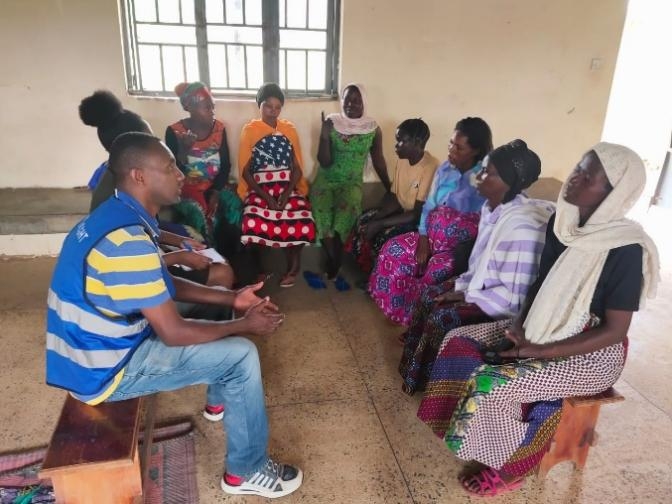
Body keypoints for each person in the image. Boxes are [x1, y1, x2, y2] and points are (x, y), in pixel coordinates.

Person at [45, 132, 303, 498]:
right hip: (104, 369)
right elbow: (173, 332)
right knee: (242, 355)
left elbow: (162, 284)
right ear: (139, 176)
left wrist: (231, 299)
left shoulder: (119, 214)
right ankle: (246, 470)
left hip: (95, 345)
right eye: (169, 167)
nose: (181, 173)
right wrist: (245, 324)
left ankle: (222, 397)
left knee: (213, 298)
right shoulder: (128, 241)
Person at [417, 143, 659, 497]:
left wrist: (542, 351)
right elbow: (540, 285)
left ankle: (511, 469)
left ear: (613, 194)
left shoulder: (624, 248)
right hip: (541, 324)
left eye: (588, 176)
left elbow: (615, 330)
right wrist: (518, 326)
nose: (575, 176)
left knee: (495, 383)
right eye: (578, 165)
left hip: (592, 353)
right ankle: (469, 433)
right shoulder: (562, 226)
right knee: (459, 342)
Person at [399, 140, 554, 395]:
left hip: (502, 306)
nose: (478, 177)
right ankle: (415, 374)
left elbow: (513, 296)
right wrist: (462, 286)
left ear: (510, 182)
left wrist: (467, 294)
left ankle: (436, 387)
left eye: (487, 173)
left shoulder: (522, 229)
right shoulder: (492, 209)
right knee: (429, 294)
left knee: (442, 317)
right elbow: (480, 264)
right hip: (483, 287)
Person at [79, 90, 235, 289]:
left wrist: (179, 242)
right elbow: (131, 261)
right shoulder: (118, 200)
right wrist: (179, 257)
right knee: (222, 272)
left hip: (141, 257)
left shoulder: (118, 179)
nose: (156, 145)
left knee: (196, 242)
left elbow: (145, 229)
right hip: (126, 280)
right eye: (149, 141)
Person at [369, 117, 493, 325]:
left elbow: (489, 221)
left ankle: (418, 324)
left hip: (459, 250)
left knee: (434, 272)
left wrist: (462, 250)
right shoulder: (445, 170)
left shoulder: (485, 178)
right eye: (451, 143)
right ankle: (398, 312)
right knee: (392, 250)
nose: (451, 149)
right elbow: (427, 207)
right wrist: (424, 240)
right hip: (431, 238)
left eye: (459, 147)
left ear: (476, 151)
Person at [305, 83, 392, 291]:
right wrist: (325, 135)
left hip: (351, 182)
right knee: (321, 211)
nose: (351, 104)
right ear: (341, 101)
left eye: (356, 100)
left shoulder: (372, 128)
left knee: (347, 212)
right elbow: (324, 162)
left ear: (364, 102)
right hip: (326, 180)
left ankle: (333, 264)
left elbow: (378, 160)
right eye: (347, 99)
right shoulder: (332, 123)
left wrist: (390, 188)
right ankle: (335, 263)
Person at [237, 83, 316, 288]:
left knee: (302, 216)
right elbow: (246, 171)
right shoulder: (250, 130)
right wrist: (268, 198)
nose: (273, 111)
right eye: (268, 105)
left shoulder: (289, 129)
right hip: (260, 189)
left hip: (287, 186)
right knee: (252, 221)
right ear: (259, 105)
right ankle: (260, 268)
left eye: (277, 107)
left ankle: (294, 265)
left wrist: (286, 194)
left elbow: (297, 168)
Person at [346, 118, 439, 277]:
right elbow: (394, 196)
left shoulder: (430, 166)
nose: (396, 145)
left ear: (417, 142)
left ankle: (378, 278)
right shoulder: (402, 161)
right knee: (363, 220)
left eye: (401, 141)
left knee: (384, 237)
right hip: (403, 213)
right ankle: (366, 269)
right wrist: (378, 216)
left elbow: (417, 214)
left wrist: (381, 223)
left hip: (419, 222)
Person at [166, 82, 243, 260]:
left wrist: (216, 191)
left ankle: (234, 257)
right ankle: (210, 260)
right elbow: (171, 171)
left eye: (212, 107)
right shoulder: (175, 132)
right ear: (189, 107)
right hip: (186, 188)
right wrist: (184, 150)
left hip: (215, 184)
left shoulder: (219, 129)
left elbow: (225, 166)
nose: (212, 111)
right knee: (199, 215)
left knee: (234, 206)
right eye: (206, 107)